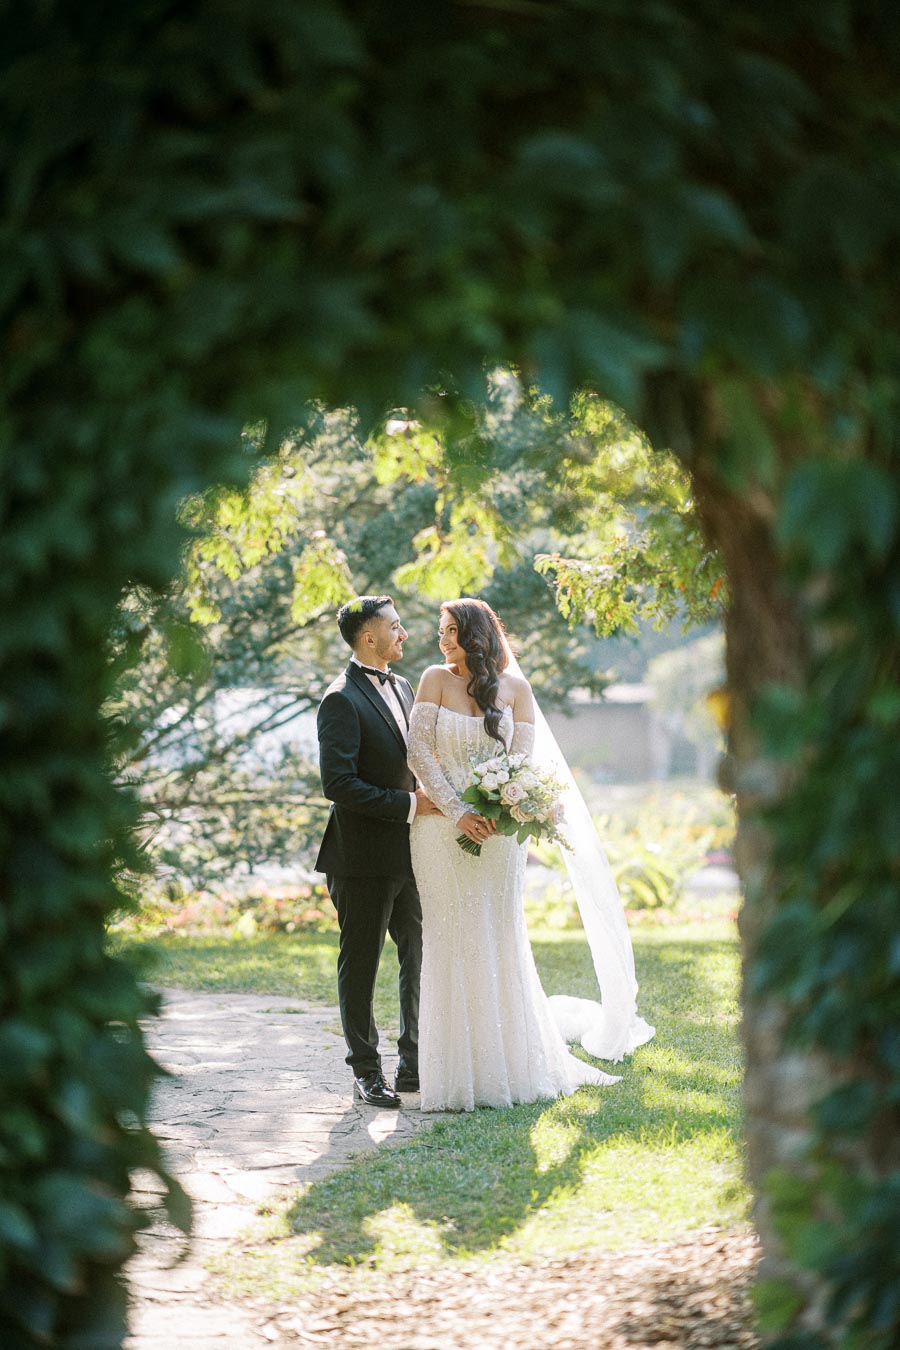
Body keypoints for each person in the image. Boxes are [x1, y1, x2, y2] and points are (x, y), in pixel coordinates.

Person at [407, 597, 653, 1112]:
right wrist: (456, 812)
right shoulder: (433, 678)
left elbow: (520, 762)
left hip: (498, 837)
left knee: (499, 936)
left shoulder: (516, 691)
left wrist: (495, 815)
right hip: (438, 831)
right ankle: (455, 1075)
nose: (442, 639)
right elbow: (418, 752)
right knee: (449, 937)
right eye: (440, 631)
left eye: (450, 630)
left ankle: (508, 1067)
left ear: (475, 634)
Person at [315, 595, 441, 1108]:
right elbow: (338, 784)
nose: (404, 634)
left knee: (419, 955)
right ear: (370, 637)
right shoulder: (340, 699)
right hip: (360, 859)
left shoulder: (406, 686)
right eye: (395, 627)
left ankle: (413, 1062)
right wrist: (411, 804)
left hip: (414, 855)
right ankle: (366, 1071)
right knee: (361, 964)